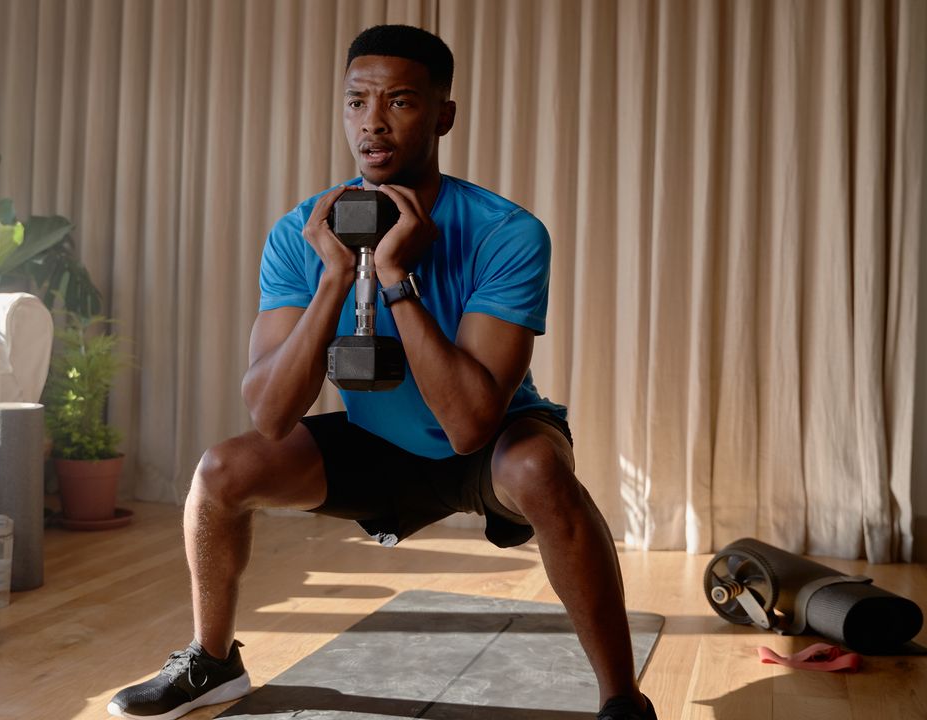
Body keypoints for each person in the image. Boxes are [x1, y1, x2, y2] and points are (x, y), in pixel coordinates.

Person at [108, 24, 657, 720]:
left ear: (442, 115)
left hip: (491, 442)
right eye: (356, 101)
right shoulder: (302, 232)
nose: (373, 121)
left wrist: (396, 276)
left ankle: (621, 699)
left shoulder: (507, 232)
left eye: (399, 101)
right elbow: (272, 416)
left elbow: (469, 425)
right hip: (373, 439)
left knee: (539, 472)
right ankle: (212, 662)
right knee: (222, 471)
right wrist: (336, 276)